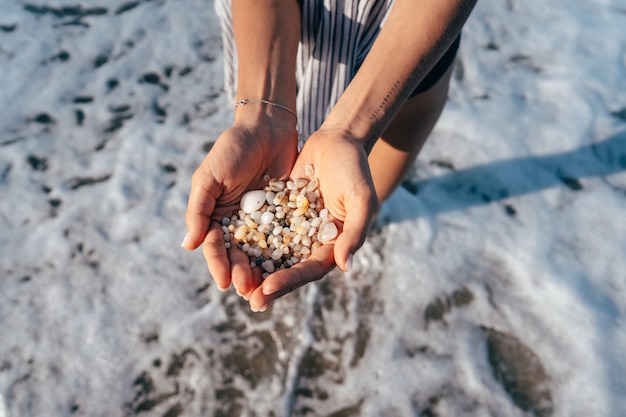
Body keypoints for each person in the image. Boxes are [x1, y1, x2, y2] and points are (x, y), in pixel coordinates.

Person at [181, 0, 477, 312]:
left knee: (367, 194)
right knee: (351, 197)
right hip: (279, 27)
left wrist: (348, 132)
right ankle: (353, 228)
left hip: (411, 27)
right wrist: (260, 115)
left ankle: (361, 226)